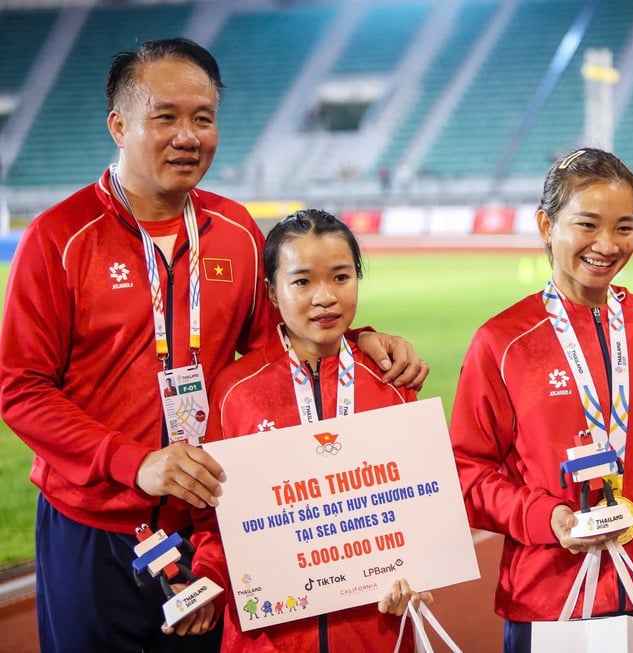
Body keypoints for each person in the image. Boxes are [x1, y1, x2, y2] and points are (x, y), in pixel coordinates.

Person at [0, 38, 426, 652]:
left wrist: (361, 341)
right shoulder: (59, 239)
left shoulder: (236, 232)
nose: (188, 135)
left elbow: (276, 350)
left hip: (220, 525)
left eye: (203, 118)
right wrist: (136, 461)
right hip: (96, 526)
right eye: (165, 116)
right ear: (119, 126)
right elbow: (20, 389)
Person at [449, 147, 633, 653]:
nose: (607, 244)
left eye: (624, 227)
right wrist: (546, 518)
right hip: (547, 600)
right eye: (587, 225)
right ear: (546, 225)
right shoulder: (503, 341)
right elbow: (466, 470)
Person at [187, 209, 432, 650]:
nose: (325, 297)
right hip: (267, 639)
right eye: (302, 282)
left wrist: (420, 572)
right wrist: (208, 579)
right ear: (272, 293)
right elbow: (215, 518)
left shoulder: (392, 383)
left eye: (341, 277)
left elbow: (417, 511)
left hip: (373, 633)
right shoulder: (233, 390)